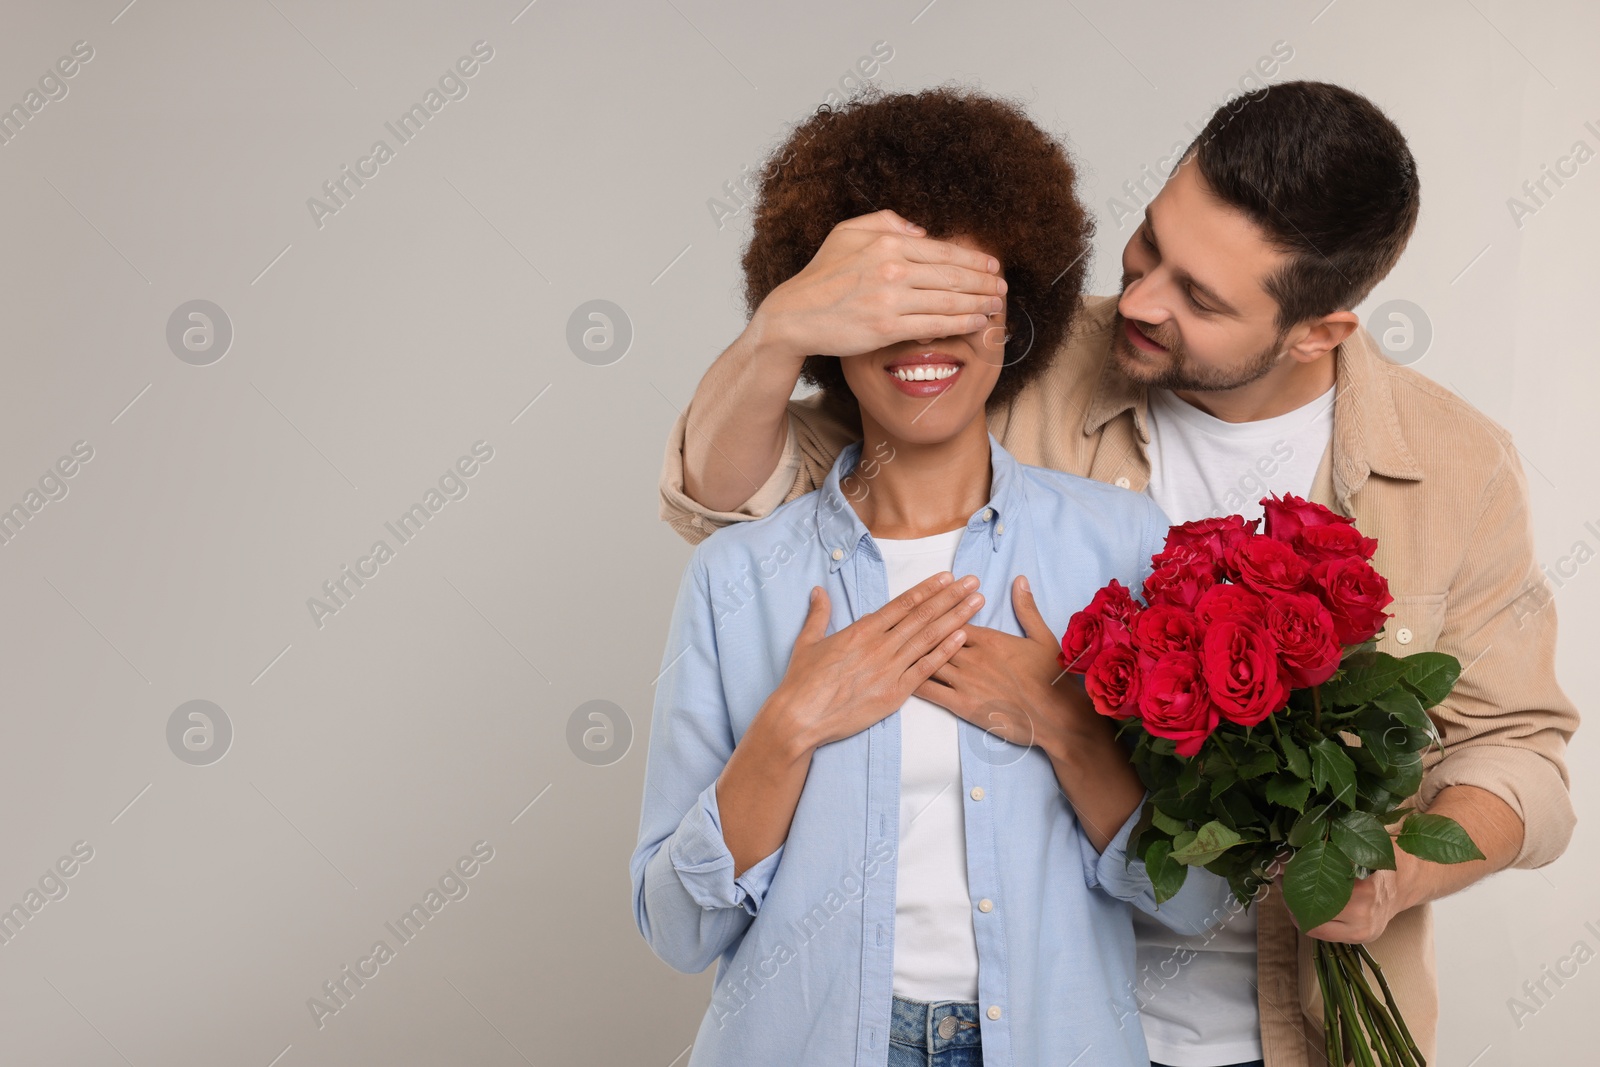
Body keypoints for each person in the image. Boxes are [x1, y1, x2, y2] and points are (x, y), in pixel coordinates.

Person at [657, 80, 1579, 1067]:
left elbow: (1519, 749)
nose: (1137, 300)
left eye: (1200, 297)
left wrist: (1390, 874)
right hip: (1031, 1016)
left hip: (1285, 1027)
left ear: (1318, 331)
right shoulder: (1018, 351)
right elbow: (736, 497)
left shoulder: (1454, 464)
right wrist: (778, 329)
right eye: (1150, 246)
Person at [631, 87, 1231, 1067]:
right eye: (884, 307)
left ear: (1016, 317)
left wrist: (1065, 726)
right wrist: (791, 726)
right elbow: (676, 928)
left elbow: (1199, 894)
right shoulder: (739, 575)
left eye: (956, 301)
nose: (921, 341)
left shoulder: (1121, 547)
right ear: (828, 328)